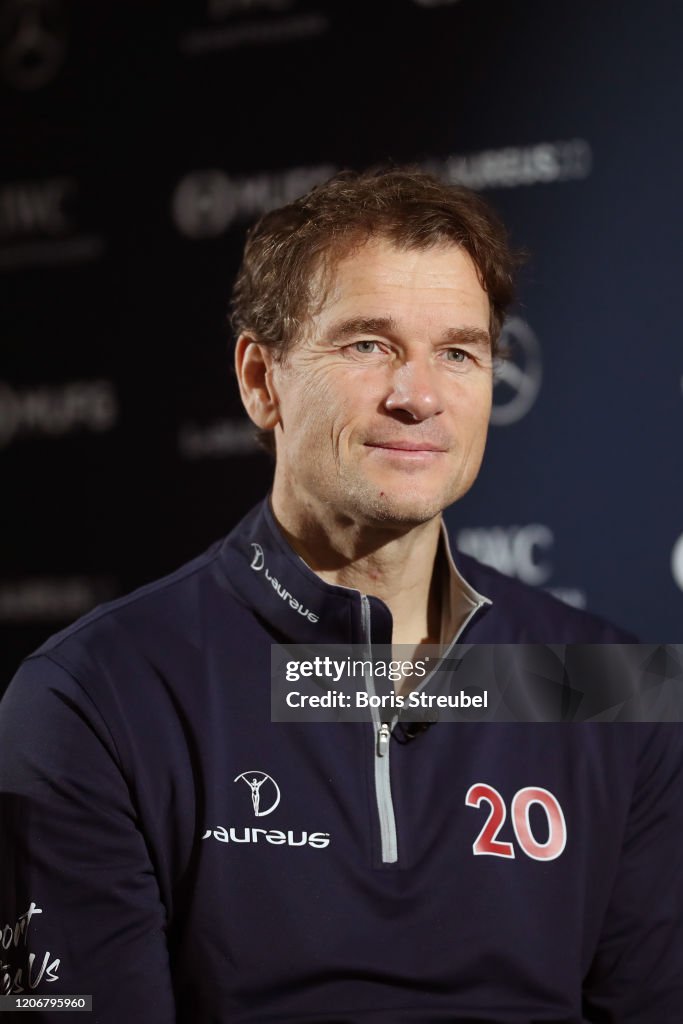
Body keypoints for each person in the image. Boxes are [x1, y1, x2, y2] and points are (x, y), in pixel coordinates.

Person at [0, 168, 681, 1023]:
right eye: (368, 345)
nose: (419, 396)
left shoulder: (609, 686)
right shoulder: (96, 696)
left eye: (458, 352)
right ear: (260, 379)